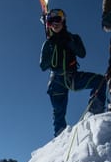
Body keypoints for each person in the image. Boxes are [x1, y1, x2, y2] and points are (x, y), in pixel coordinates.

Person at [38, 8, 106, 136]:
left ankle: (94, 111)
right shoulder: (48, 44)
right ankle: (60, 137)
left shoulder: (73, 38)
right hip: (56, 81)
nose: (55, 24)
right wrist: (52, 46)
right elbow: (43, 66)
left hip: (72, 77)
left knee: (100, 81)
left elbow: (82, 53)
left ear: (63, 20)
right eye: (51, 21)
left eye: (57, 19)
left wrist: (68, 42)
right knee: (58, 112)